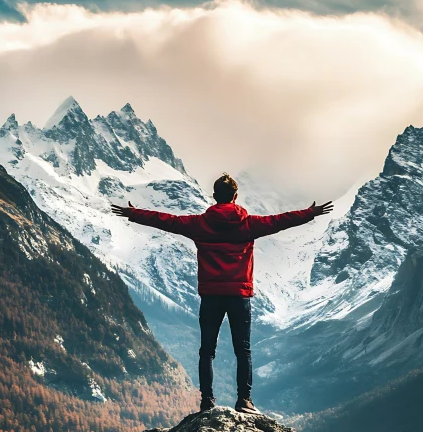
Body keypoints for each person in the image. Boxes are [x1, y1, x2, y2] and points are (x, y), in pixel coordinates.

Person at [112, 174, 333, 414]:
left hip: (211, 295)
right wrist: (309, 213)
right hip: (239, 295)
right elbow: (279, 221)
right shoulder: (249, 224)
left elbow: (169, 221)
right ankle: (244, 401)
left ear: (215, 196)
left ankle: (207, 401)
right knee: (243, 350)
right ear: (235, 197)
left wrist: (135, 214)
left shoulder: (199, 224)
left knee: (207, 351)